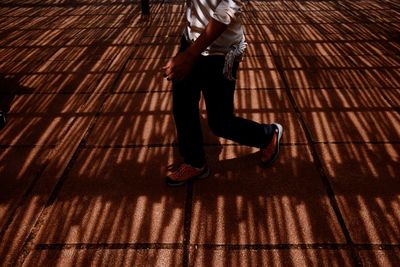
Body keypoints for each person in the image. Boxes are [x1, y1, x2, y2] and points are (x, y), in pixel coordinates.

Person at [162, 0, 283, 186]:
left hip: (221, 53)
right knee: (183, 106)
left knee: (220, 122)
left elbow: (224, 13)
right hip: (190, 39)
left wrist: (189, 56)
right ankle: (195, 162)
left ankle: (267, 135)